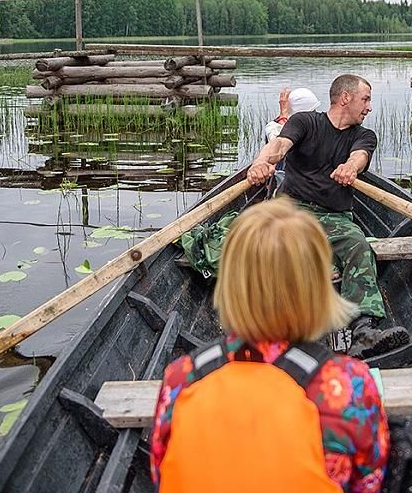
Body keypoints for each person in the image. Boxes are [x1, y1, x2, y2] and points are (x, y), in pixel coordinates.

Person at [151, 198, 388, 493]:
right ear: (319, 288)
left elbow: (161, 471)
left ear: (229, 285)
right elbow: (369, 483)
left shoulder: (181, 377)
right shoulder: (349, 383)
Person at [247, 74, 409, 359]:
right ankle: (267, 328)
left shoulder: (363, 135)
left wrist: (350, 167)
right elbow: (279, 146)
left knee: (358, 244)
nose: (369, 107)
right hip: (291, 210)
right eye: (365, 99)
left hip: (333, 216)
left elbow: (359, 157)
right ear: (345, 98)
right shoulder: (306, 122)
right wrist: (261, 162)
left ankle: (363, 331)